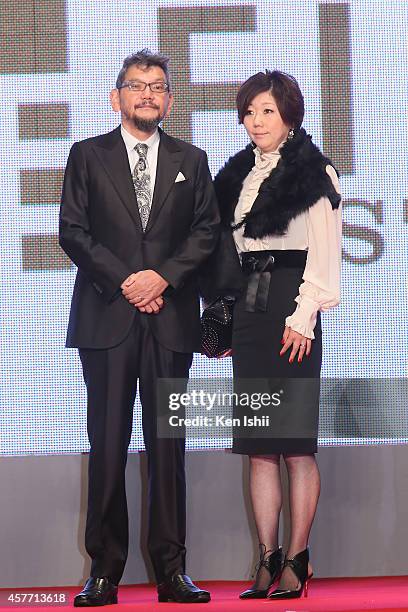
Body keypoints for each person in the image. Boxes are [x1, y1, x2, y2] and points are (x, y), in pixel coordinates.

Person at [59, 49, 219, 605]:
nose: (148, 94)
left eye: (158, 86)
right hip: (107, 318)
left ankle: (172, 570)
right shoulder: (86, 155)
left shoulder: (192, 160)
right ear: (117, 96)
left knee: (168, 447)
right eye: (137, 85)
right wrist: (129, 280)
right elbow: (74, 233)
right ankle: (103, 570)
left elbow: (206, 233)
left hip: (171, 321)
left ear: (170, 99)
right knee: (107, 444)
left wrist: (163, 279)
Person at [211, 70, 342, 599]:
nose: (256, 121)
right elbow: (227, 251)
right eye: (249, 111)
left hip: (293, 308)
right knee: (260, 445)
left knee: (294, 447)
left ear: (290, 113)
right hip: (250, 308)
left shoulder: (314, 170)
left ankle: (298, 556)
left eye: (267, 110)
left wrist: (303, 314)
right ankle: (266, 558)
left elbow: (326, 255)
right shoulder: (239, 173)